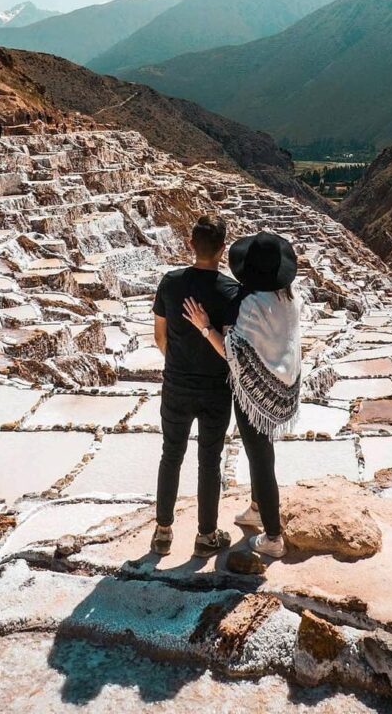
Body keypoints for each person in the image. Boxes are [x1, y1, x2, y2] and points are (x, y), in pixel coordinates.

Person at [183, 231, 301, 559]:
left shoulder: (249, 305)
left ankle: (273, 536)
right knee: (260, 452)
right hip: (281, 386)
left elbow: (231, 353)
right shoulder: (289, 296)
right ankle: (257, 507)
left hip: (255, 393)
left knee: (260, 457)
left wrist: (204, 326)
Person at [151, 215, 240, 558]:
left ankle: (162, 532)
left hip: (176, 384)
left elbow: (160, 336)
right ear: (222, 249)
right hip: (216, 388)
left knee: (170, 455)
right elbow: (231, 346)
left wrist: (178, 363)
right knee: (209, 460)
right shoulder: (231, 291)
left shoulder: (170, 283)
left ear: (190, 244)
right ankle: (206, 535)